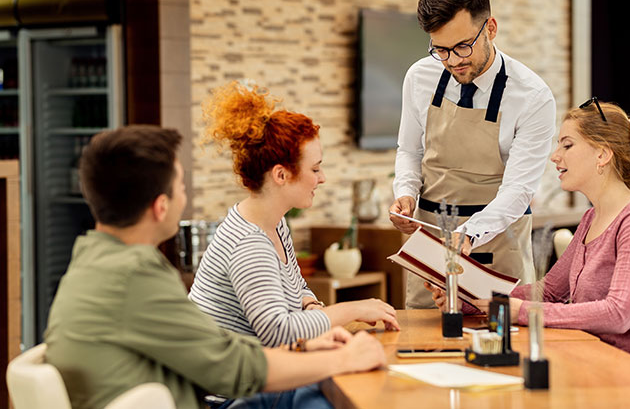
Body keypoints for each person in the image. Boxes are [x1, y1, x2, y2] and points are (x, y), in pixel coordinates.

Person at [44, 125, 386, 409]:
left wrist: (302, 347)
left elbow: (215, 347)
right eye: (181, 187)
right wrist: (344, 359)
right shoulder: (135, 276)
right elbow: (232, 369)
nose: (185, 198)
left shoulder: (92, 260)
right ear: (161, 207)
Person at [428, 100, 630, 383]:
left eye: (567, 145)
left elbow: (619, 313)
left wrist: (524, 312)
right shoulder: (591, 218)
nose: (554, 156)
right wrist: (468, 301)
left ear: (602, 155)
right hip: (612, 368)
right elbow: (548, 292)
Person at [189, 82, 400, 348]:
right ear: (281, 175)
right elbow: (278, 332)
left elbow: (294, 287)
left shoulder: (274, 224)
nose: (322, 178)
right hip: (238, 388)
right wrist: (353, 310)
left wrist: (312, 306)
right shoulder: (249, 244)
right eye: (314, 169)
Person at [389, 0, 556, 309]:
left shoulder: (532, 96)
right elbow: (410, 150)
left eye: (462, 46)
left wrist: (470, 232)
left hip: (500, 242)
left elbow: (519, 189)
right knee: (423, 345)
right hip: (432, 242)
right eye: (441, 50)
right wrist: (405, 194)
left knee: (502, 344)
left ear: (490, 28)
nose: (452, 61)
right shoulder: (419, 77)